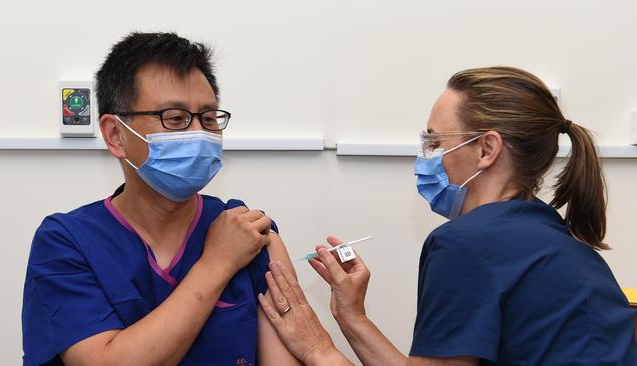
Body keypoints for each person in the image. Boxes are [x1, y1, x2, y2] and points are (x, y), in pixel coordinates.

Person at [257, 67, 637, 365]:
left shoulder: (467, 244)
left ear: (487, 148)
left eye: (435, 142)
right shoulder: (550, 234)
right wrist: (350, 315)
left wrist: (318, 350)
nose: (426, 157)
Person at [22, 32, 301, 365]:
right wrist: (217, 263)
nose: (198, 133)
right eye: (175, 118)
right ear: (116, 135)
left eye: (209, 118)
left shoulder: (250, 230)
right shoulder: (67, 243)